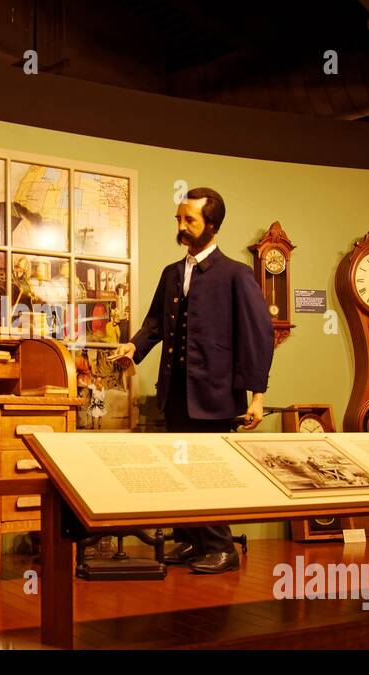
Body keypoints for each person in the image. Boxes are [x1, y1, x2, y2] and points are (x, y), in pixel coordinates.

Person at [110, 187, 275, 574]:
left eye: (190, 221)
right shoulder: (172, 273)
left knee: (207, 471)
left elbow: (257, 335)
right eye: (179, 220)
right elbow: (154, 323)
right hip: (177, 392)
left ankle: (222, 548)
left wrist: (257, 397)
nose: (181, 227)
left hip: (215, 395)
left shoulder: (236, 275)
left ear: (211, 225)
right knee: (181, 469)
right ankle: (188, 539)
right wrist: (134, 347)